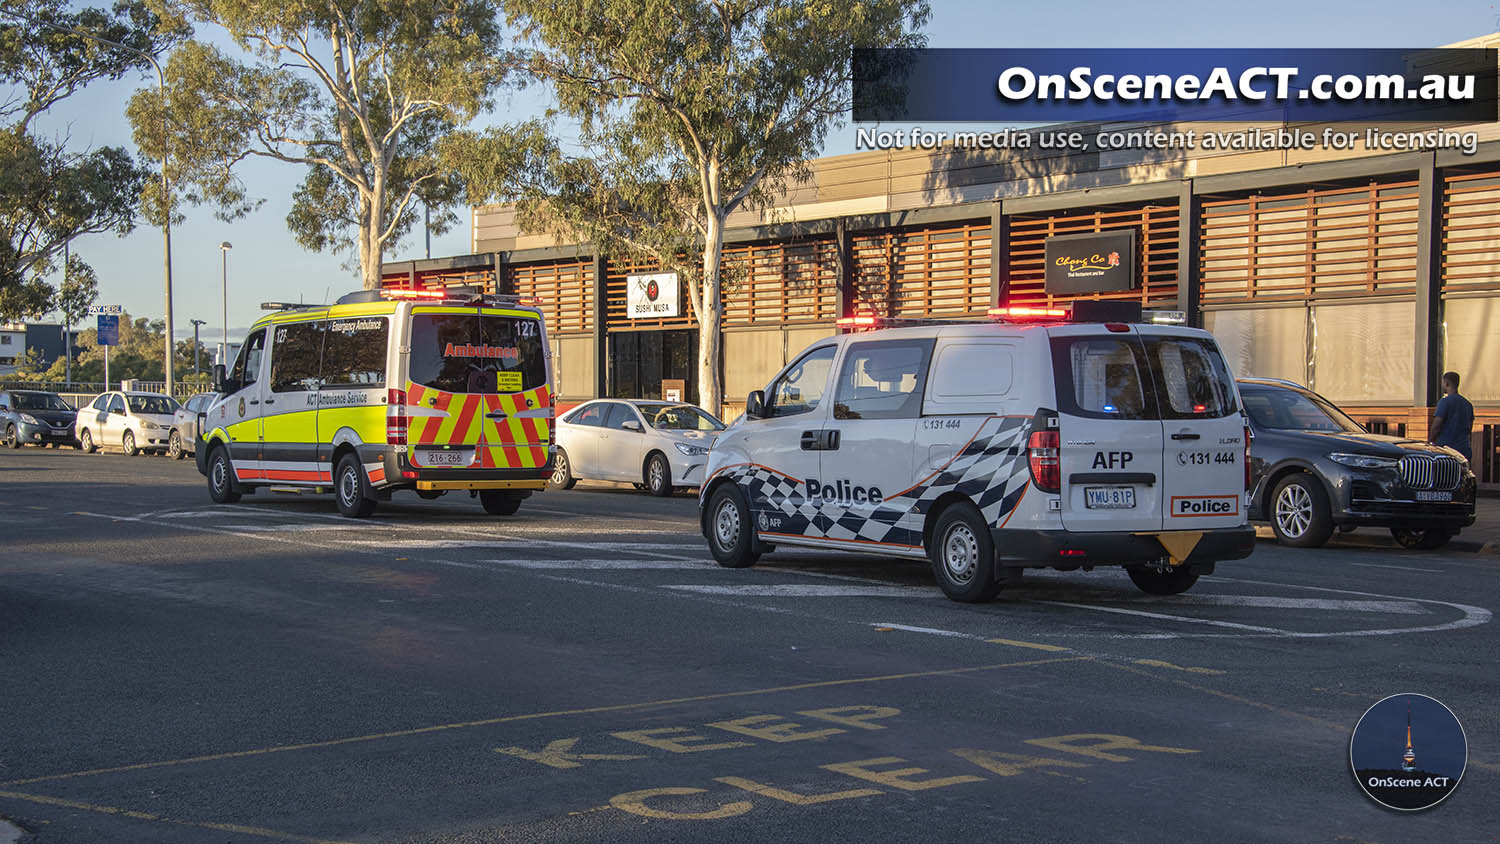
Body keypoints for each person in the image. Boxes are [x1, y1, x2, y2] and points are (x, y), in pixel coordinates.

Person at [1430, 371, 1474, 461]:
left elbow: (1436, 425)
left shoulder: (1444, 402)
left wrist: (1430, 441)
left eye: (1442, 383)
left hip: (1446, 449)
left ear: (1446, 383)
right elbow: (1469, 428)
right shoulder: (1468, 404)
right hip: (1464, 449)